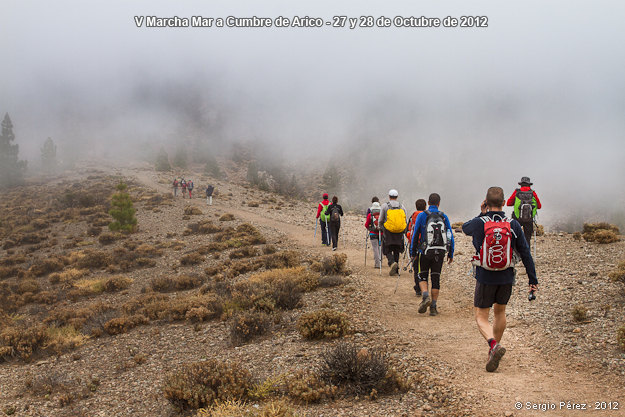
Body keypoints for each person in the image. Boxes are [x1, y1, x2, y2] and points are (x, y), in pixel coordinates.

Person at [463, 186, 538, 372]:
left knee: (481, 316)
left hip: (485, 275)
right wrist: (532, 280)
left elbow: (465, 228)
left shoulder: (481, 222)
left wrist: (481, 214)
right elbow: (526, 254)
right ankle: (494, 349)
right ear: (504, 203)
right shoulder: (512, 224)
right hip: (506, 275)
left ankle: (493, 345)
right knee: (500, 312)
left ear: (486, 203)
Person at [410, 193, 454, 316]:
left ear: (428, 203)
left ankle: (425, 296)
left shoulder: (422, 215)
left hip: (424, 252)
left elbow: (415, 234)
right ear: (439, 203)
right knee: (436, 278)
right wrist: (450, 252)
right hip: (439, 253)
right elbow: (450, 235)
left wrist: (413, 252)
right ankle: (433, 307)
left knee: (422, 275)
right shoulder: (443, 216)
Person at [378, 189, 407, 276]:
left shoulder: (385, 206)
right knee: (396, 249)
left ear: (389, 196)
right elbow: (405, 218)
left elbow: (381, 219)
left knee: (387, 248)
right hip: (399, 232)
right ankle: (396, 269)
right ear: (397, 197)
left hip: (388, 231)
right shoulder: (401, 206)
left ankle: (391, 262)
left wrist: (380, 227)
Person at [506, 176, 542, 245]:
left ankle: (516, 252)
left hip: (517, 218)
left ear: (521, 184)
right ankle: (526, 252)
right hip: (529, 218)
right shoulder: (533, 193)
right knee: (527, 237)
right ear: (529, 184)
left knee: (515, 236)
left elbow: (508, 203)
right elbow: (539, 206)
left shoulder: (517, 192)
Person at [406, 199, 427, 296]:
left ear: (416, 206)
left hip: (414, 244)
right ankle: (424, 288)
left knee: (416, 268)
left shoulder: (413, 216)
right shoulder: (427, 216)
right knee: (424, 268)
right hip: (425, 245)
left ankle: (418, 289)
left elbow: (408, 230)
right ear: (425, 206)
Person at [364, 200, 382, 268]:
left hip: (373, 233)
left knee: (375, 248)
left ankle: (377, 264)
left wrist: (370, 229)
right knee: (380, 248)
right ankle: (381, 262)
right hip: (381, 233)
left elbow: (366, 225)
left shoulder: (370, 215)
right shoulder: (382, 215)